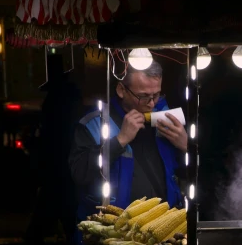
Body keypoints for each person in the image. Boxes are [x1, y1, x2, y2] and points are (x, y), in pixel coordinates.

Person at [69, 60, 187, 232]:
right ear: (121, 90)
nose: (152, 103)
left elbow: (188, 175)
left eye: (157, 95)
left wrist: (186, 147)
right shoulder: (95, 123)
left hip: (162, 230)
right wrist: (120, 140)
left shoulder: (167, 120)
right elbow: (79, 173)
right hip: (112, 231)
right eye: (143, 96)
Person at [25, 53, 81, 245]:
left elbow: (52, 137)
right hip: (63, 166)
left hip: (57, 166)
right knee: (66, 216)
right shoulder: (68, 96)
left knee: (50, 216)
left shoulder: (56, 100)